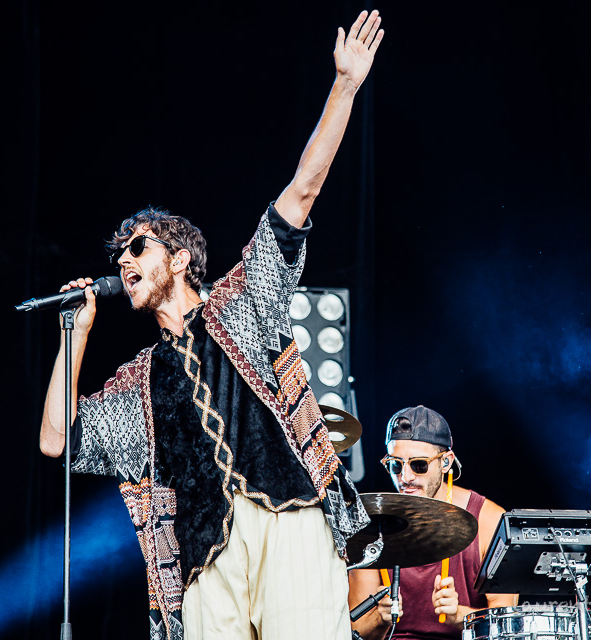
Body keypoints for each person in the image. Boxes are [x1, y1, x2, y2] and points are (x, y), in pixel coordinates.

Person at [38, 11, 384, 640]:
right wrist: (76, 333)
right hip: (203, 562)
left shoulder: (242, 302)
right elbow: (56, 441)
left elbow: (301, 193)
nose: (124, 262)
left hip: (287, 519)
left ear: (179, 259)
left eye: (137, 247)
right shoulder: (137, 383)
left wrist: (344, 86)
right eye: (118, 255)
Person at [348, 406, 518, 640]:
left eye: (419, 465)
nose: (405, 477)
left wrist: (459, 616)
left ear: (446, 462)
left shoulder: (489, 520)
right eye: (396, 465)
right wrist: (380, 617)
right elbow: (355, 631)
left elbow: (507, 626)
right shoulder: (372, 525)